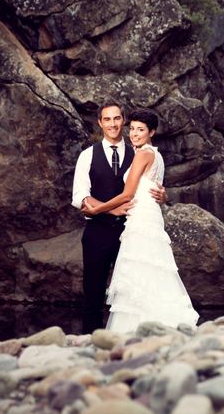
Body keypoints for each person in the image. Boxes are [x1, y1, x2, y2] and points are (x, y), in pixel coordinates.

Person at [82, 108, 199, 332]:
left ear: (151, 132)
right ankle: (156, 325)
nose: (134, 134)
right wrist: (163, 197)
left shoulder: (143, 154)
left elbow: (127, 194)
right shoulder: (155, 155)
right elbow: (153, 187)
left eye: (141, 130)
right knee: (150, 270)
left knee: (138, 271)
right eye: (133, 129)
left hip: (141, 219)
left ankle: (136, 328)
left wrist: (97, 210)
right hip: (148, 216)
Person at [71, 102, 166, 333]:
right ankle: (91, 344)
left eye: (117, 119)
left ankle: (131, 337)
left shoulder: (139, 149)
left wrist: (163, 194)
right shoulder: (87, 155)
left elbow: (149, 183)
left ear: (123, 121)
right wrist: (108, 209)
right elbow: (81, 196)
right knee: (93, 292)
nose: (113, 124)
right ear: (100, 123)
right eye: (107, 119)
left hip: (131, 231)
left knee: (133, 288)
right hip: (98, 232)